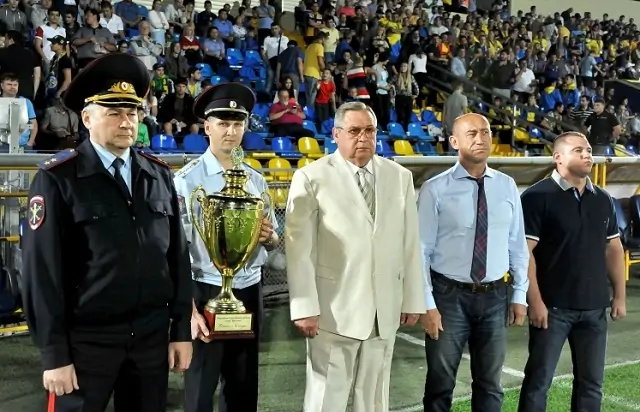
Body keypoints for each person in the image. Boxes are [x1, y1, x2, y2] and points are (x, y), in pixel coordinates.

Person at [21, 53, 193, 412]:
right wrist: (54, 354)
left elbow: (177, 258)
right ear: (87, 118)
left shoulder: (158, 174)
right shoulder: (58, 179)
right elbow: (42, 274)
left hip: (150, 339)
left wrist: (180, 331)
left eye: (132, 112)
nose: (126, 121)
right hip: (85, 341)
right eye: (114, 112)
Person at [285, 101, 426, 412]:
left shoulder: (400, 176)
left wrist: (413, 299)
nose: (363, 137)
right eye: (354, 131)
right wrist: (304, 307)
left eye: (369, 131)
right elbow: (299, 250)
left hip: (384, 310)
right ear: (336, 134)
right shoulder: (311, 177)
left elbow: (410, 243)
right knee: (326, 400)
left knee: (374, 400)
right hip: (332, 310)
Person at [174, 82, 280, 412]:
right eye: (222, 123)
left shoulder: (255, 179)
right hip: (204, 289)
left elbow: (275, 239)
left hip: (248, 290)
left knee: (243, 388)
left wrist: (268, 237)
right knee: (201, 389)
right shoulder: (186, 181)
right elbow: (175, 251)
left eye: (237, 124)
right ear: (207, 127)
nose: (231, 131)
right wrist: (188, 309)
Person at [417, 113, 529, 412]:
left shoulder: (507, 186)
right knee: (440, 384)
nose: (481, 138)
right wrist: (427, 304)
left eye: (485, 132)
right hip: (448, 297)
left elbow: (517, 245)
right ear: (454, 142)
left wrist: (519, 294)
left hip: (495, 296)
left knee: (490, 384)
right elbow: (421, 251)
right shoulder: (434, 189)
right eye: (472, 134)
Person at [518, 131, 627, 412]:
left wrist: (619, 296)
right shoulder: (536, 197)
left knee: (591, 384)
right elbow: (524, 254)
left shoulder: (603, 198)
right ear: (558, 158)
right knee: (538, 382)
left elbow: (613, 248)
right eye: (578, 150)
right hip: (552, 309)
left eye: (588, 150)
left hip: (594, 308)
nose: (587, 154)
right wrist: (535, 301)